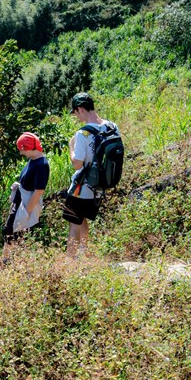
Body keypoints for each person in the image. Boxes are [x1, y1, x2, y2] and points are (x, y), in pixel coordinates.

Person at [64, 93, 120, 257]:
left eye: (75, 113)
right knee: (83, 220)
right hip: (100, 186)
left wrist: (71, 147)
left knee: (74, 224)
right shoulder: (112, 126)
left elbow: (77, 164)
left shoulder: (83, 133)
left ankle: (70, 263)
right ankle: (83, 254)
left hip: (81, 188)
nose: (76, 117)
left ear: (80, 109)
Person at [2, 132, 49, 254]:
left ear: (28, 148)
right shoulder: (33, 160)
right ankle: (5, 261)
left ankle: (13, 263)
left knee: (18, 235)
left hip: (27, 205)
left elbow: (38, 191)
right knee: (8, 232)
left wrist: (26, 213)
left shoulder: (41, 165)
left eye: (21, 150)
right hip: (20, 203)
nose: (21, 153)